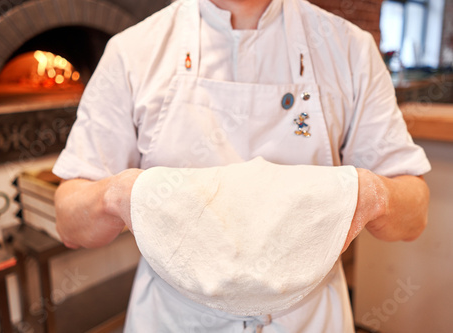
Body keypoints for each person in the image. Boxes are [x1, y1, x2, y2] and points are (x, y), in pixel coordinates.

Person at [52, 0, 431, 331]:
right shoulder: (133, 51)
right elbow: (70, 220)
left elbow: (414, 214)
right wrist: (118, 195)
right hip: (174, 320)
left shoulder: (350, 50)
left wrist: (373, 194)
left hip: (308, 318)